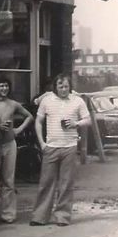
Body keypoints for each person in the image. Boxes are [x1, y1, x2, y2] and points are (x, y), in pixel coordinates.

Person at [30, 74, 91, 227]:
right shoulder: (47, 100)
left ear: (70, 86)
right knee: (46, 183)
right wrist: (42, 143)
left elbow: (88, 120)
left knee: (66, 183)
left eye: (66, 86)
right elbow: (38, 121)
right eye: (60, 86)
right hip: (51, 147)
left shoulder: (77, 101)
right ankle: (40, 216)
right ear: (55, 87)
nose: (64, 89)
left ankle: (62, 216)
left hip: (69, 147)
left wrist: (76, 123)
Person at [0, 77, 33, 224]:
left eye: (6, 86)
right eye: (1, 85)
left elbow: (29, 116)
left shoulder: (13, 104)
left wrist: (18, 129)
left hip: (9, 144)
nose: (4, 88)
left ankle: (8, 214)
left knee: (9, 180)